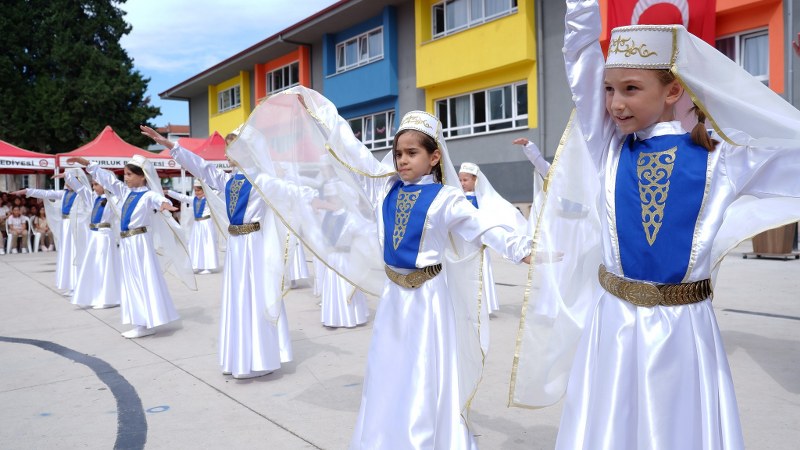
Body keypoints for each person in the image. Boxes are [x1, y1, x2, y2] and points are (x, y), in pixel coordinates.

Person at [510, 2, 800, 449]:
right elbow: (579, 50)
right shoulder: (607, 145)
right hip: (615, 323)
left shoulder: (722, 159)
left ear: (672, 91)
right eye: (608, 89)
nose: (614, 103)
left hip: (683, 328)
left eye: (630, 88)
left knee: (676, 428)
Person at [224, 90, 533, 449]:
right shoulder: (384, 188)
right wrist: (322, 115)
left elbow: (482, 226)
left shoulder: (448, 198)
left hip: (428, 301)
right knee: (388, 370)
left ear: (434, 157)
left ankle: (425, 438)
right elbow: (351, 148)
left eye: (412, 153)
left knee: (423, 373)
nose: (402, 160)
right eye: (399, 153)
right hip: (393, 299)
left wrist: (522, 249)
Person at [141, 125, 294, 379]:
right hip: (236, 247)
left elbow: (292, 193)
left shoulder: (263, 180)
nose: (226, 154)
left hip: (254, 245)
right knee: (239, 298)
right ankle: (243, 356)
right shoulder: (228, 181)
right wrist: (169, 145)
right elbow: (201, 167)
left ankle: (263, 356)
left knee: (256, 296)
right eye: (227, 148)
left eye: (232, 147)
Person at [66, 155, 184, 338]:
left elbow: (158, 199)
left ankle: (146, 322)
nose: (126, 178)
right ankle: (140, 322)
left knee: (142, 279)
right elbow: (109, 180)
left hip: (140, 242)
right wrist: (89, 164)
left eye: (129, 174)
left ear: (142, 176)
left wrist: (164, 204)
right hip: (127, 242)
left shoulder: (148, 195)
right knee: (130, 281)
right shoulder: (125, 192)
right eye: (125, 174)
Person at [457, 162, 528, 317]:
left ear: (476, 180)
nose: (462, 183)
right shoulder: (458, 198)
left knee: (479, 275)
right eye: (460, 180)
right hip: (462, 246)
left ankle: (481, 306)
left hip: (477, 246)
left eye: (466, 180)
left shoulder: (485, 200)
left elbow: (495, 217)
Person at [61, 169, 121, 309]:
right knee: (94, 266)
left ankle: (107, 298)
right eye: (93, 184)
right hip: (94, 235)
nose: (93, 187)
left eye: (96, 184)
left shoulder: (114, 200)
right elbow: (80, 188)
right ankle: (96, 295)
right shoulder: (94, 198)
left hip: (105, 235)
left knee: (104, 267)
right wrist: (68, 175)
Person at [14, 185, 81, 295]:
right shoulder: (63, 193)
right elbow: (46, 193)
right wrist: (27, 191)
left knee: (74, 253)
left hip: (74, 226)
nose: (66, 183)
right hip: (65, 225)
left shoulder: (81, 193)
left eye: (68, 180)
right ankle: (71, 284)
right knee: (67, 255)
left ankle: (77, 284)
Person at [165, 180, 221, 274]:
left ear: (204, 191)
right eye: (195, 190)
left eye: (199, 190)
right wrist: (169, 192)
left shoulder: (208, 198)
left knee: (206, 244)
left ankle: (208, 266)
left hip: (206, 224)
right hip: (197, 225)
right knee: (196, 244)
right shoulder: (193, 199)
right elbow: (182, 197)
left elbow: (218, 191)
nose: (197, 193)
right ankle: (197, 265)